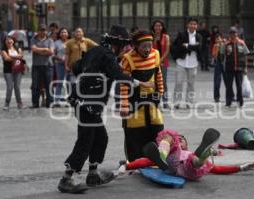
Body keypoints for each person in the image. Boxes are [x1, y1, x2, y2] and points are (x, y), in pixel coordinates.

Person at [57, 25, 154, 194]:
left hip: (86, 103)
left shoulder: (96, 51)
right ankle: (66, 179)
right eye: (124, 45)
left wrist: (92, 71)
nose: (125, 49)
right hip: (87, 104)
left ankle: (93, 175)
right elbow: (118, 75)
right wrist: (142, 83)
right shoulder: (107, 55)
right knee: (85, 141)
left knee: (100, 138)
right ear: (116, 43)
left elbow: (76, 67)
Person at [120, 129, 254, 179]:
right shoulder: (173, 151)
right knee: (168, 138)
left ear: (186, 145)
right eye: (178, 139)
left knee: (195, 161)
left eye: (182, 140)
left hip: (190, 166)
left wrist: (240, 167)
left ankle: (204, 153)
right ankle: (204, 153)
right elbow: (145, 161)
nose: (179, 140)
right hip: (174, 164)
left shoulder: (187, 152)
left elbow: (217, 169)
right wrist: (127, 166)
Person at [120, 30, 164, 162]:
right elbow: (124, 84)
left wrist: (160, 92)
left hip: (151, 100)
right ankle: (135, 161)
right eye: (144, 46)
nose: (147, 49)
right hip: (134, 101)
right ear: (135, 46)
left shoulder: (155, 54)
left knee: (157, 128)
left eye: (149, 46)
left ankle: (156, 158)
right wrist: (124, 105)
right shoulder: (128, 59)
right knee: (135, 131)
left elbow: (158, 74)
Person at [172, 17, 202, 109]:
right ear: (187, 25)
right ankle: (176, 102)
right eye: (191, 23)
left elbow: (199, 48)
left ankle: (189, 102)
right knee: (179, 82)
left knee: (191, 83)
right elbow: (177, 45)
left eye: (194, 24)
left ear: (197, 26)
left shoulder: (199, 36)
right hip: (181, 61)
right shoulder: (181, 34)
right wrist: (192, 46)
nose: (193, 25)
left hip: (193, 62)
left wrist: (187, 45)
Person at [223, 27, 249, 108]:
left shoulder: (241, 43)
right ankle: (228, 101)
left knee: (239, 86)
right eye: (231, 33)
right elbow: (222, 54)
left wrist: (245, 67)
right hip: (229, 68)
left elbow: (245, 55)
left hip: (239, 67)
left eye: (234, 33)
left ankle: (240, 101)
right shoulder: (226, 44)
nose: (232, 34)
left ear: (237, 33)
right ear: (229, 34)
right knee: (229, 86)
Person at [30, 24, 55, 108]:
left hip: (48, 65)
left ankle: (50, 102)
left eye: (44, 30)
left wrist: (39, 51)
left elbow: (51, 52)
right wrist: (45, 49)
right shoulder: (33, 39)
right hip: (36, 66)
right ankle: (35, 103)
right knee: (35, 85)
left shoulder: (50, 40)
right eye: (41, 30)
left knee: (49, 85)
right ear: (38, 30)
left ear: (46, 31)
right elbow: (33, 49)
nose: (42, 31)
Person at [0, 36, 25, 110]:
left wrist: (12, 56)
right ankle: (7, 103)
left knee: (17, 87)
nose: (9, 41)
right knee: (10, 88)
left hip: (18, 70)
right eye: (7, 40)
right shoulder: (3, 50)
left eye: (10, 40)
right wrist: (17, 56)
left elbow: (21, 56)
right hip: (8, 71)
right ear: (5, 42)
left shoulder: (18, 48)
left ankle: (19, 103)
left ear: (13, 41)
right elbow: (7, 58)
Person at [151, 19, 171, 109]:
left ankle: (165, 101)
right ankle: (155, 101)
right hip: (152, 62)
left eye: (159, 25)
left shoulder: (166, 37)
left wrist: (160, 60)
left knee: (163, 82)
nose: (158, 27)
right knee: (153, 82)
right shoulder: (151, 36)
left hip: (163, 63)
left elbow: (167, 50)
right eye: (156, 25)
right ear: (153, 27)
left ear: (162, 27)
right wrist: (155, 61)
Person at [52, 28, 71, 106]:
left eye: (65, 32)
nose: (63, 33)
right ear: (59, 34)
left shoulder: (71, 42)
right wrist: (59, 58)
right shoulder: (56, 43)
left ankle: (70, 100)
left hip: (69, 64)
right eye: (62, 32)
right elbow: (53, 54)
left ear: (68, 34)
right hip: (59, 64)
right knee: (59, 82)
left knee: (69, 82)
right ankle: (57, 100)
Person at [211, 33, 226, 103]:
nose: (217, 40)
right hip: (218, 64)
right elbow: (214, 56)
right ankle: (216, 97)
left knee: (228, 80)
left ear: (221, 38)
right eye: (216, 39)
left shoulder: (225, 44)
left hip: (225, 63)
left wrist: (223, 44)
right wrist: (217, 48)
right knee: (217, 81)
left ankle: (230, 95)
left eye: (219, 38)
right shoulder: (214, 46)